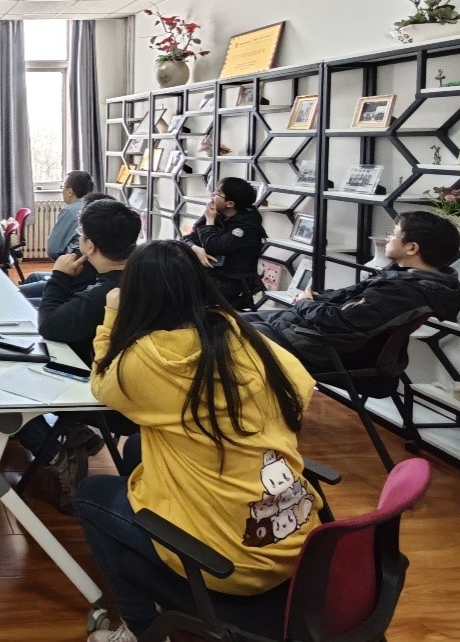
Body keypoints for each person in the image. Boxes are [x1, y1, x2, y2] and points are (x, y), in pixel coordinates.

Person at [77, 241, 318, 642]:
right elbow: (301, 392)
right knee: (137, 448)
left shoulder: (150, 357)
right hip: (297, 544)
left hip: (231, 563)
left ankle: (140, 629)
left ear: (137, 293)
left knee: (90, 495)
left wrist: (113, 314)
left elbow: (102, 383)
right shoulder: (243, 333)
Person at [15, 198, 141, 512]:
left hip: (105, 391)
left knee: (9, 389)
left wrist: (59, 276)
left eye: (81, 237)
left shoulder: (105, 293)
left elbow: (50, 326)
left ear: (90, 245)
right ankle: (78, 435)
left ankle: (58, 454)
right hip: (135, 384)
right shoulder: (141, 274)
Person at [245, 211, 460, 374]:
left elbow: (340, 321)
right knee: (230, 321)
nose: (388, 238)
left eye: (393, 234)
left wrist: (305, 303)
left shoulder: (403, 291)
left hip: (321, 349)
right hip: (311, 335)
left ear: (412, 248)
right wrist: (316, 299)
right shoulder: (405, 278)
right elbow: (350, 300)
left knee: (229, 333)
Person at [181, 177, 267, 309]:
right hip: (208, 273)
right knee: (168, 281)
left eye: (218, 193)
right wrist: (195, 248)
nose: (212, 195)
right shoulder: (217, 215)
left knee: (181, 292)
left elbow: (213, 246)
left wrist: (210, 221)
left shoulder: (246, 227)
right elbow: (187, 238)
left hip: (232, 281)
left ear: (230, 204)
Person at [19, 171, 96, 299]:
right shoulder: (94, 207)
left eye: (62, 187)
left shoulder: (71, 211)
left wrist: (63, 264)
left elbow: (53, 249)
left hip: (73, 278)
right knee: (33, 276)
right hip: (84, 276)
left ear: (70, 191)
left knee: (17, 293)